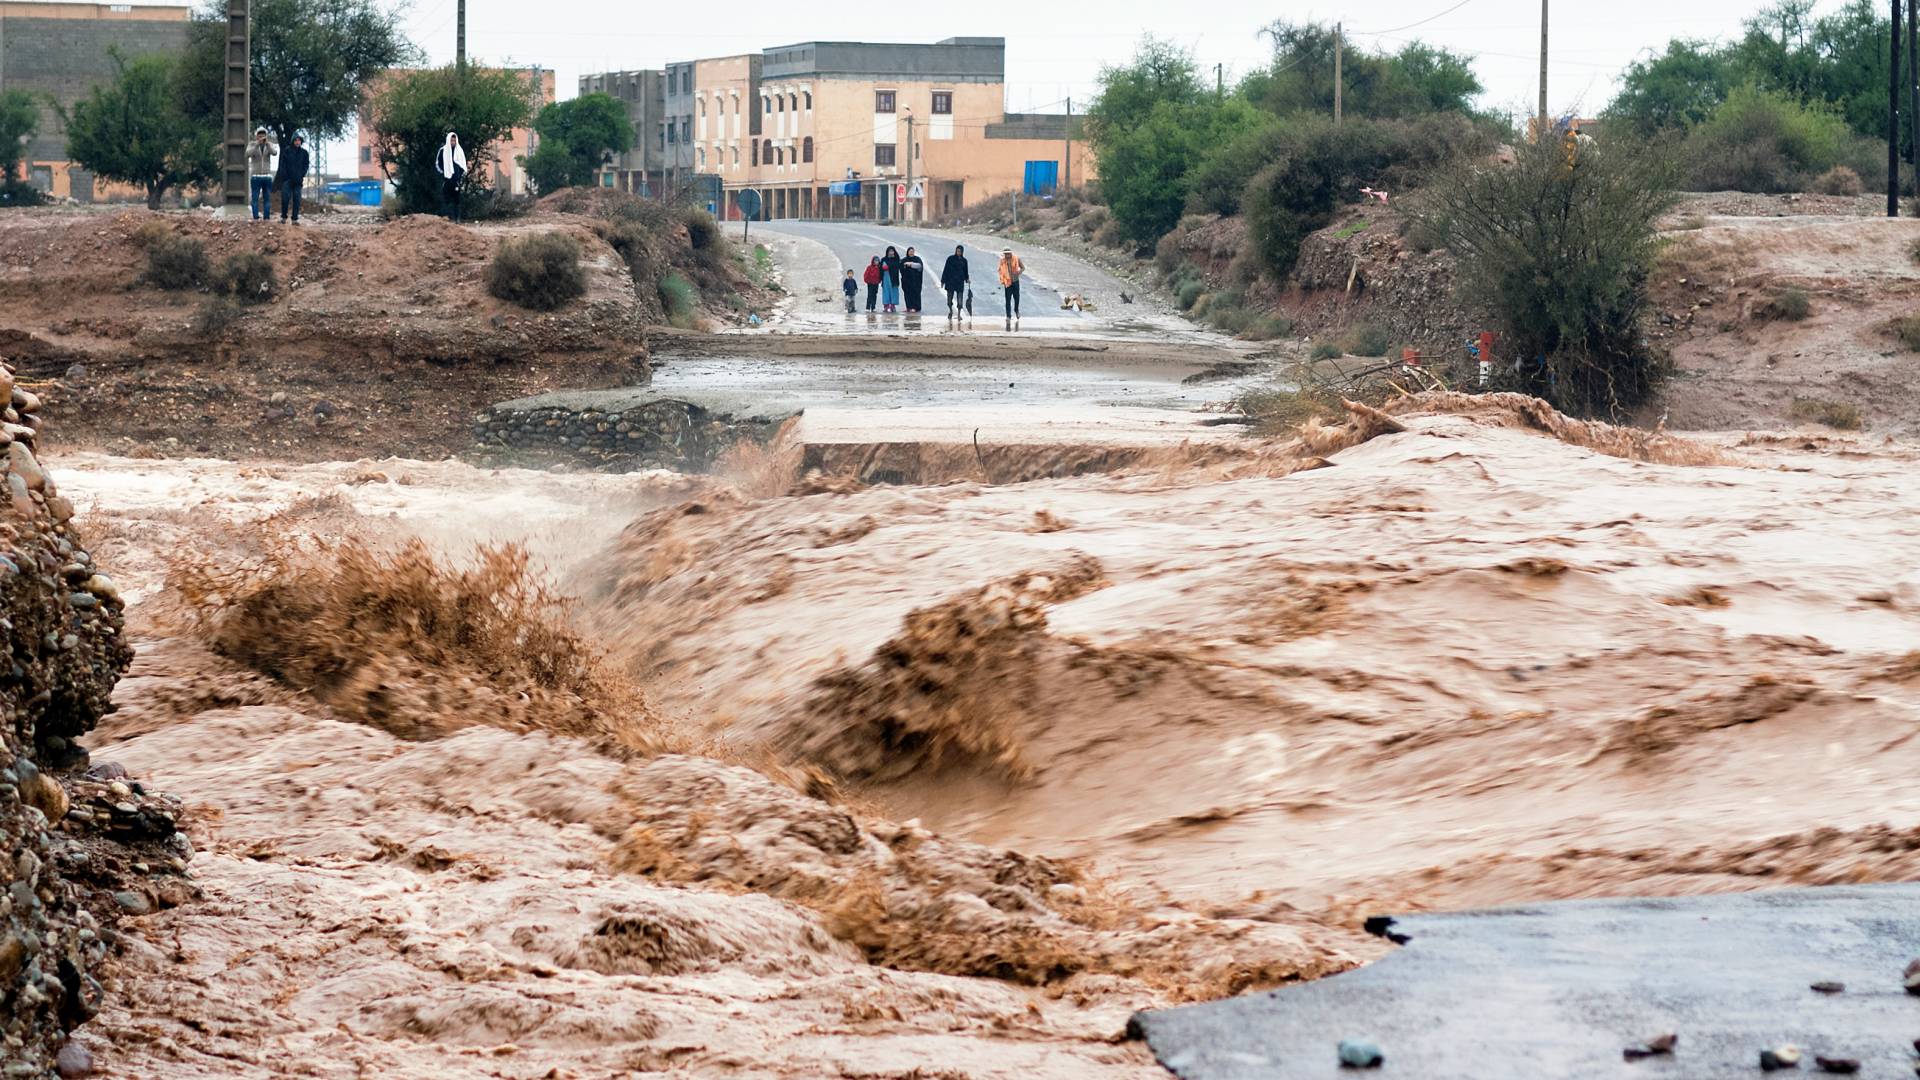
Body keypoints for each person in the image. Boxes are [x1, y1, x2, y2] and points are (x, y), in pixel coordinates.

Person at [276, 134, 310, 224]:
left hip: (298, 181)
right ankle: (283, 217)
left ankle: (294, 219)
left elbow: (306, 165)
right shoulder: (287, 151)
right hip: (287, 180)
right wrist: (285, 176)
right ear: (293, 141)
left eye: (299, 140)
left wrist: (301, 175)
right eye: (295, 140)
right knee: (285, 198)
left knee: (297, 199)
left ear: (301, 142)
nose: (297, 142)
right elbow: (282, 164)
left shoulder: (304, 153)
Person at [436, 132, 468, 222]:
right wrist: (443, 173)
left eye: (454, 140)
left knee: (456, 200)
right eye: (451, 140)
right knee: (446, 200)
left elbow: (463, 165)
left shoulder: (459, 151)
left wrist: (459, 175)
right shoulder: (443, 150)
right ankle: (447, 219)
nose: (452, 142)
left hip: (456, 180)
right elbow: (438, 164)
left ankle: (457, 218)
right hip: (446, 179)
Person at [247, 127, 276, 221]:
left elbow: (274, 152)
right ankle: (256, 217)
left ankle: (266, 217)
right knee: (255, 198)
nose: (261, 137)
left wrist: (267, 144)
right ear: (256, 136)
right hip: (255, 176)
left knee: (267, 198)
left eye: (263, 135)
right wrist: (257, 145)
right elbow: (247, 154)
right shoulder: (252, 144)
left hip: (267, 176)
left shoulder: (269, 145)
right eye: (259, 135)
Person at [940, 244, 969, 321]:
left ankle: (959, 314)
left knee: (960, 301)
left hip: (960, 282)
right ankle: (950, 311)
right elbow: (945, 270)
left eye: (960, 251)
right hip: (950, 281)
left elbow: (966, 271)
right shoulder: (950, 259)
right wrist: (943, 281)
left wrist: (967, 279)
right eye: (957, 251)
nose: (958, 252)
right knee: (949, 300)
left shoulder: (964, 261)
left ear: (962, 252)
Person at [998, 247, 1024, 329]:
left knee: (1017, 298)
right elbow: (1000, 270)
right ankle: (1008, 316)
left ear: (1011, 253)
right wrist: (1003, 278)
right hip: (1007, 282)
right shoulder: (1002, 261)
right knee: (1008, 300)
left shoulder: (1016, 258)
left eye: (1008, 253)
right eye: (1005, 254)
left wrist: (1018, 273)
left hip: (1015, 281)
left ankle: (1016, 310)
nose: (1007, 255)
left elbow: (1023, 267)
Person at [899, 246, 925, 313]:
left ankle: (915, 307)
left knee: (915, 294)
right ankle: (909, 307)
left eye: (912, 251)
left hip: (916, 281)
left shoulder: (917, 259)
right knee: (907, 295)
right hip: (906, 281)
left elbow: (920, 266)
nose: (911, 253)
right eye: (910, 251)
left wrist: (911, 265)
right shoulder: (904, 259)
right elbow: (901, 267)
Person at [879, 245, 903, 312]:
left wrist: (888, 266)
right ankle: (886, 306)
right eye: (890, 251)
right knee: (886, 292)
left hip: (894, 278)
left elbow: (898, 266)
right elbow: (880, 268)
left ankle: (893, 305)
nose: (891, 252)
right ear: (887, 252)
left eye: (892, 251)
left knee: (894, 292)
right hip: (885, 278)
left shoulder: (896, 259)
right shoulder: (884, 259)